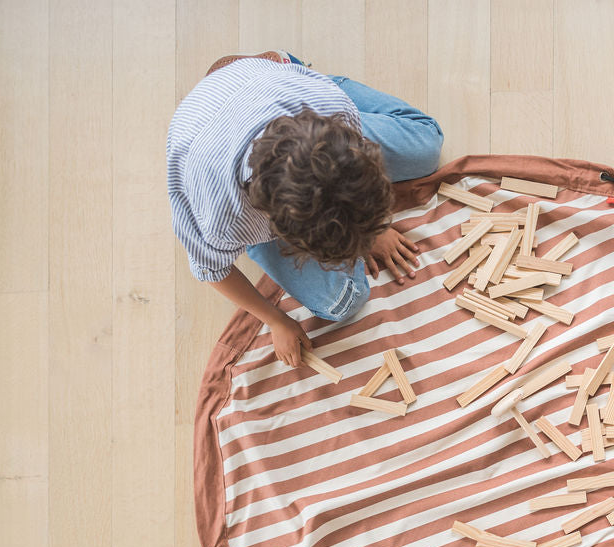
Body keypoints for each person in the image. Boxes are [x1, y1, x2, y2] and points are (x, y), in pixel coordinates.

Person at [167, 51, 444, 367]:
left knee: (427, 147)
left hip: (284, 87)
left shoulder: (332, 110)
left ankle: (278, 63)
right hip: (206, 130)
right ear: (279, 226)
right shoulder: (219, 215)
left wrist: (368, 225)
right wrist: (276, 320)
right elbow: (212, 270)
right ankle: (258, 245)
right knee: (343, 302)